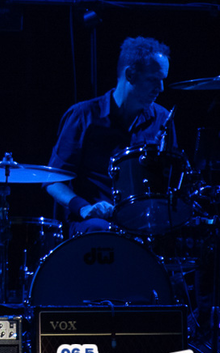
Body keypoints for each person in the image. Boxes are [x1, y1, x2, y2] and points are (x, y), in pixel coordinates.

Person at [44, 36, 175, 237]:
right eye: (153, 80)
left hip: (146, 222)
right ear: (130, 74)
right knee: (100, 231)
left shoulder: (162, 118)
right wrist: (84, 208)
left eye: (163, 80)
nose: (161, 88)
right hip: (94, 223)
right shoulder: (83, 116)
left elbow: (172, 178)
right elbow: (53, 179)